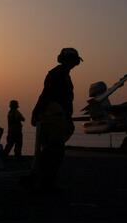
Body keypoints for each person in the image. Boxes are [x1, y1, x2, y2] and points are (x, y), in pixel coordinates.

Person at [22, 48, 83, 193]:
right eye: (74, 60)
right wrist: (36, 112)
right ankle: (42, 182)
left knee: (53, 150)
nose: (75, 63)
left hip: (58, 117)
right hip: (53, 117)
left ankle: (41, 181)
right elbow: (46, 94)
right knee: (54, 150)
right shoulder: (57, 74)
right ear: (69, 60)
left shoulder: (63, 74)